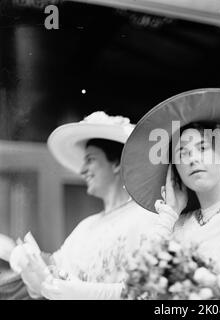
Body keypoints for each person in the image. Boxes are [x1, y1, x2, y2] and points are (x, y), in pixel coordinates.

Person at [121, 88, 220, 290]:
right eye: (182, 153)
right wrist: (170, 213)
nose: (193, 158)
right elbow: (144, 280)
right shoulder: (179, 225)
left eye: (203, 148)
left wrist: (202, 281)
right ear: (175, 171)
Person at [9, 111, 158, 299]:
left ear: (116, 164)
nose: (82, 170)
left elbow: (146, 288)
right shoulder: (85, 226)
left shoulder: (146, 218)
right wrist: (28, 262)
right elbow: (55, 271)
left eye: (90, 160)